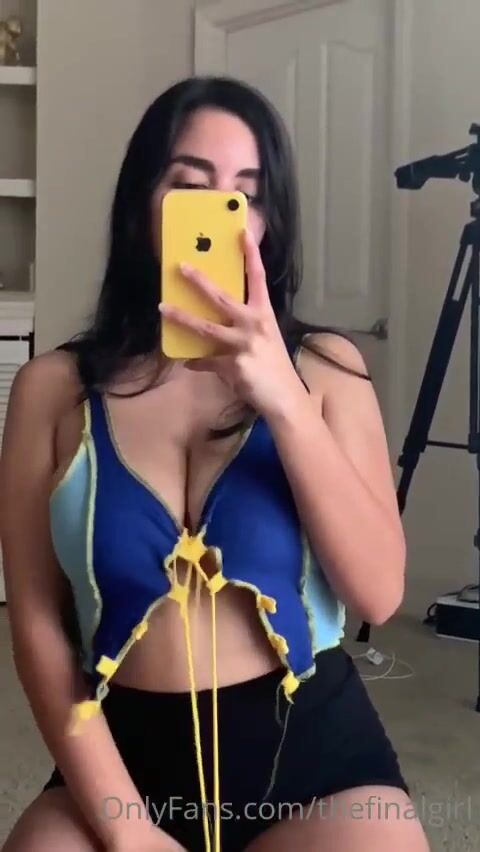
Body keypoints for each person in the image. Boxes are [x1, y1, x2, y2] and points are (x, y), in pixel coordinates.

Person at [0, 76, 430, 852]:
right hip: (124, 759)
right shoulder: (51, 391)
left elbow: (379, 592)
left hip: (312, 757)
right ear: (142, 206)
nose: (220, 216)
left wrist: (284, 400)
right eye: (189, 184)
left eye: (246, 195)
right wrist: (128, 831)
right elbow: (36, 626)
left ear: (268, 221)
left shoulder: (327, 371)